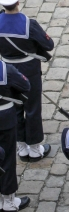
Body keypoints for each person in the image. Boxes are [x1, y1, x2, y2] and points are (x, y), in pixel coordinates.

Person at [0, 0, 52, 162]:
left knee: (15, 106)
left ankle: (21, 146)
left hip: (6, 68)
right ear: (18, 1)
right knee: (32, 107)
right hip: (28, 68)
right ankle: (35, 148)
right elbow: (48, 44)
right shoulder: (29, 24)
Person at [0, 60, 31, 210]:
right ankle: (9, 202)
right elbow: (25, 86)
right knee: (7, 159)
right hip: (4, 119)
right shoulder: (6, 69)